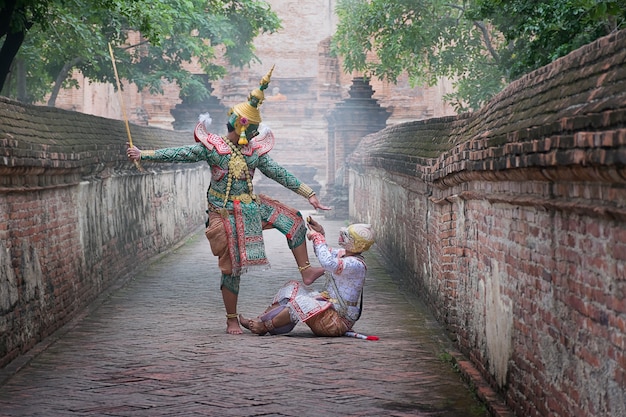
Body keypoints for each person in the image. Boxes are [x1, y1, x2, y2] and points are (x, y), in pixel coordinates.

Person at [126, 66, 331, 334]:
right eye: (253, 130)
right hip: (223, 213)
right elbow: (181, 153)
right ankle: (231, 318)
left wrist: (310, 194)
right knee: (231, 268)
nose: (255, 136)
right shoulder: (214, 148)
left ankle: (305, 269)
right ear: (241, 126)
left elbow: (280, 174)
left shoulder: (254, 152)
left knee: (293, 220)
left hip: (251, 206)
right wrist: (144, 154)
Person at [239, 218, 375, 337]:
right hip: (329, 310)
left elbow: (328, 262)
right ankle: (259, 320)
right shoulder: (345, 254)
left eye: (348, 237)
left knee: (302, 302)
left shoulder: (356, 264)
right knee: (291, 289)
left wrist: (318, 238)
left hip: (336, 322)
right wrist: (320, 233)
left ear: (358, 244)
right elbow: (324, 252)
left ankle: (265, 326)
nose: (343, 238)